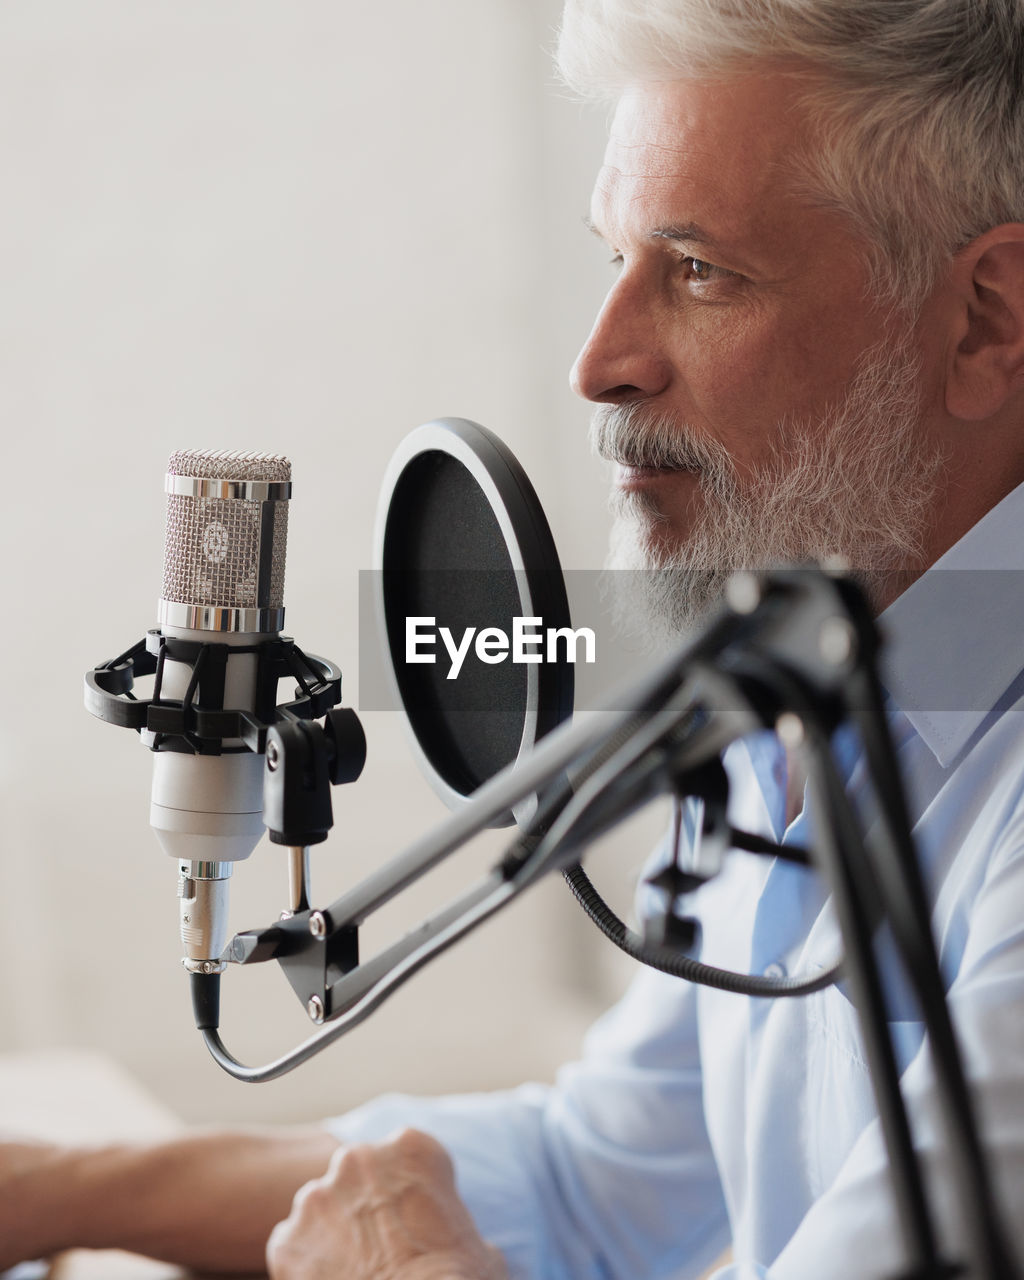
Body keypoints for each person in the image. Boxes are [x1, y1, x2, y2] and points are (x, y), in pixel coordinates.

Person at [7, 0, 1024, 1275]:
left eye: (701, 268)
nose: (599, 362)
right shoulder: (795, 692)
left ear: (984, 316)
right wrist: (53, 1188)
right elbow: (589, 1180)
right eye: (614, 262)